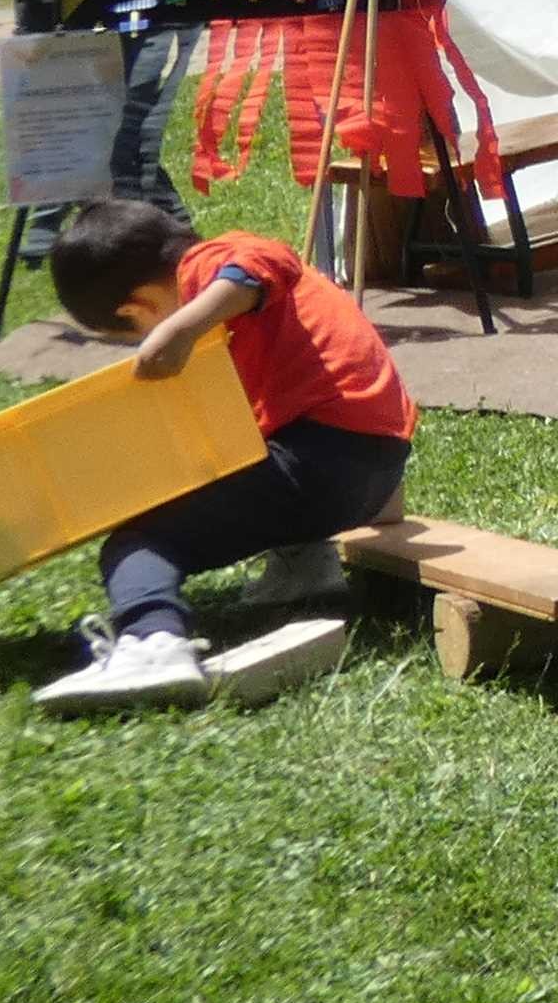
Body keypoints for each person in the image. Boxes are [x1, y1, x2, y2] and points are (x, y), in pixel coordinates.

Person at [36, 197, 406, 716]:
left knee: (139, 538)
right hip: (374, 468)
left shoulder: (210, 264)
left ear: (138, 307)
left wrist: (179, 329)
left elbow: (261, 259)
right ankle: (305, 566)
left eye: (136, 333)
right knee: (242, 463)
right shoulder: (252, 308)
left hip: (320, 461)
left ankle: (151, 642)